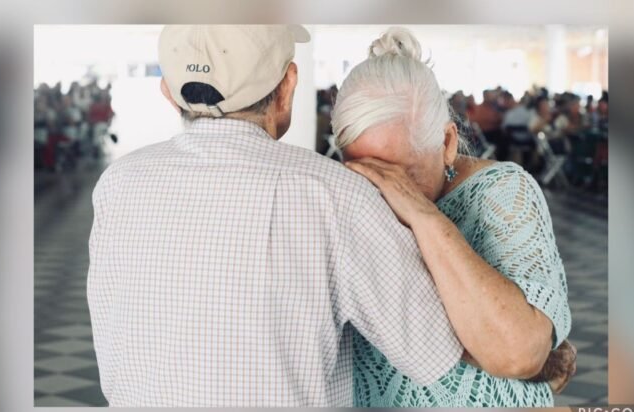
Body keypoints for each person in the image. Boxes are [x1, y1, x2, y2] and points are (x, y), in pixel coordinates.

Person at [87, 24, 468, 407]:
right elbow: (433, 353)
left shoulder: (117, 184)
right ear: (288, 86)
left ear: (169, 94)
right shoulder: (335, 195)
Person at [331, 27, 573, 407]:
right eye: (367, 174)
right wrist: (540, 356)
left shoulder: (503, 192)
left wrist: (424, 215)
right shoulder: (331, 196)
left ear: (446, 143)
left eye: (402, 176)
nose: (385, 192)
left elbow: (518, 353)